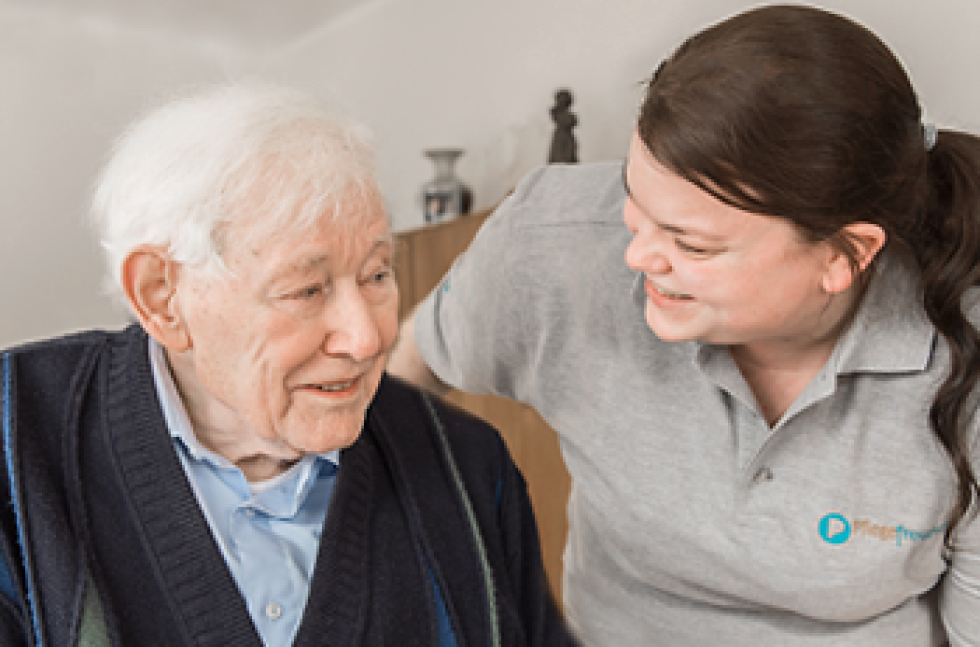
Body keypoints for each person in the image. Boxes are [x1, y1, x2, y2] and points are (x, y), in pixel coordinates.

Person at [389, 4, 980, 645]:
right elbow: (395, 388)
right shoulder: (554, 247)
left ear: (844, 255)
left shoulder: (962, 358)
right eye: (635, 202)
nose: (637, 256)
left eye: (691, 244)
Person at [0, 83, 574, 647]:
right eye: (305, 290)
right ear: (162, 296)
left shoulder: (469, 467)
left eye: (377, 274)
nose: (367, 336)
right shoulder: (14, 446)